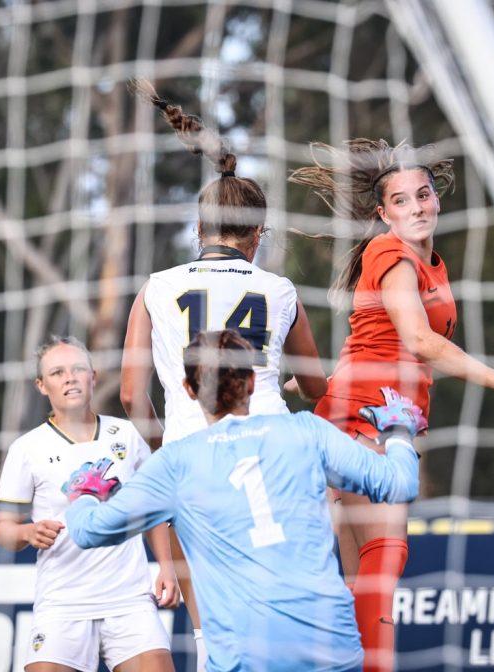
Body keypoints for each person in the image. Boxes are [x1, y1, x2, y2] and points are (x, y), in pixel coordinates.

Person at [289, 139, 494, 671]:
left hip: (369, 409)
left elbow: (382, 342)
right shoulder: (390, 251)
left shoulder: (435, 265)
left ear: (437, 200)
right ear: (384, 213)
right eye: (401, 201)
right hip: (366, 415)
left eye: (422, 195)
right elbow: (419, 341)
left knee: (358, 579)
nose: (417, 207)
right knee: (385, 556)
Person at [63, 330, 422, 672]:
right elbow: (399, 484)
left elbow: (89, 532)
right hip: (329, 646)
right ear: (252, 383)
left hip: (246, 656)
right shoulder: (306, 432)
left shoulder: (176, 463)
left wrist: (85, 492)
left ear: (188, 390)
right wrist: (399, 431)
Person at [121, 79, 327, 665]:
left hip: (192, 456)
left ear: (200, 230)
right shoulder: (278, 289)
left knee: (212, 626)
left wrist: (166, 447)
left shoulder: (158, 287)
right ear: (258, 235)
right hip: (270, 455)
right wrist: (285, 384)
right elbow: (316, 387)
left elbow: (134, 392)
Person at [0, 336, 179, 672]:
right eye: (58, 372)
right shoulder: (26, 448)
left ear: (93, 376)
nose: (70, 377)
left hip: (129, 601)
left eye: (78, 369)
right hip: (62, 604)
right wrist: (28, 532)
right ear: (41, 385)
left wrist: (167, 567)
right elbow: (2, 530)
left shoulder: (127, 435)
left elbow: (152, 509)